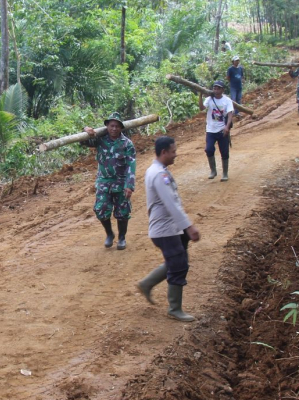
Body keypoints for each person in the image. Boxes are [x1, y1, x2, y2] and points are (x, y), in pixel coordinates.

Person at [136, 136, 201, 322]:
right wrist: (189, 227)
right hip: (165, 230)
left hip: (171, 227)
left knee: (177, 260)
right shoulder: (158, 174)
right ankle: (174, 309)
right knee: (179, 264)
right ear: (163, 152)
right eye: (173, 151)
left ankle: (146, 284)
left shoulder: (158, 170)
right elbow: (171, 204)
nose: (176, 155)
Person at [81, 112, 137, 250]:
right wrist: (86, 130)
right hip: (104, 182)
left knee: (122, 213)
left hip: (121, 182)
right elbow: (83, 142)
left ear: (121, 128)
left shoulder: (127, 144)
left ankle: (122, 238)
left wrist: (129, 185)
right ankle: (109, 234)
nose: (114, 129)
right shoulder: (100, 140)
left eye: (117, 126)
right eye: (111, 126)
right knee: (101, 210)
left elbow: (131, 165)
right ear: (107, 126)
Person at [198, 81, 234, 181]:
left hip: (222, 130)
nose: (216, 90)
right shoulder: (209, 99)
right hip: (210, 130)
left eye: (218, 88)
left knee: (224, 152)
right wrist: (201, 94)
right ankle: (213, 170)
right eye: (215, 88)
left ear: (222, 90)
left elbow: (230, 114)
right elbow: (201, 108)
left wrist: (227, 127)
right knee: (208, 149)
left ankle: (225, 173)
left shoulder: (227, 100)